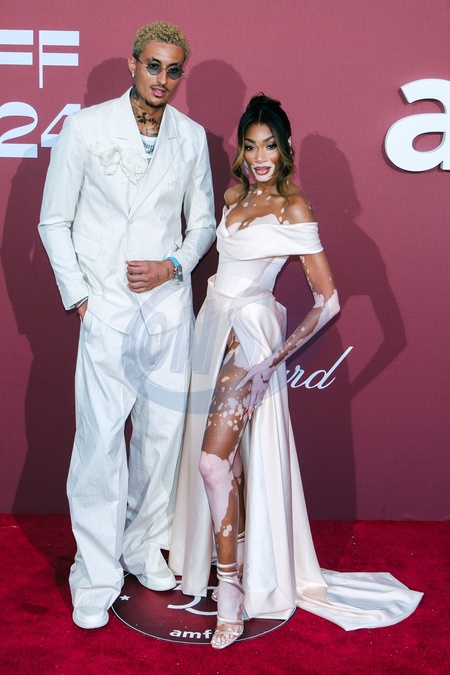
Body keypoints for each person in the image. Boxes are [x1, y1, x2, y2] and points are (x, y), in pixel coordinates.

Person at [169, 95, 422, 649]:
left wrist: (272, 361)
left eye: (270, 146)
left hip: (249, 338)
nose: (260, 157)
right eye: (251, 146)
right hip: (209, 331)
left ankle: (231, 592)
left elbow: (328, 301)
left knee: (212, 463)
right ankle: (232, 564)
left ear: (286, 149)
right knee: (224, 462)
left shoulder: (294, 207)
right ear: (242, 151)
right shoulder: (233, 197)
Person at [38, 21, 216, 630]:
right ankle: (94, 573)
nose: (162, 79)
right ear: (133, 64)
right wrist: (80, 299)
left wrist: (174, 265)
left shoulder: (190, 137)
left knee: (161, 440)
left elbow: (203, 223)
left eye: (173, 70)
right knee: (99, 444)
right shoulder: (86, 128)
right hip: (107, 310)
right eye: (153, 66)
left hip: (167, 310)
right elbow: (53, 221)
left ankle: (143, 547)